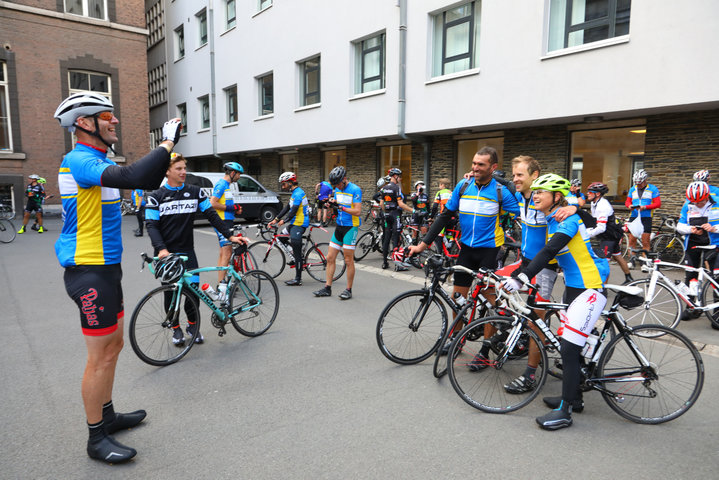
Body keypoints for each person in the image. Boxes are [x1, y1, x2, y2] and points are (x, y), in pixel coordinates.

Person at [53, 91, 182, 462]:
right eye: (107, 115)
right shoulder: (79, 159)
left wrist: (167, 155)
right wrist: (167, 142)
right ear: (84, 123)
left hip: (108, 268)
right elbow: (134, 175)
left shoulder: (98, 160)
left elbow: (145, 179)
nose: (116, 121)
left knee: (114, 347)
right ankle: (96, 438)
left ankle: (108, 417)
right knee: (100, 357)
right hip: (88, 270)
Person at [501, 173, 609, 430]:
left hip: (589, 287)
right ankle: (575, 397)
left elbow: (550, 250)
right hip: (574, 287)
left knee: (569, 349)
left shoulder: (567, 218)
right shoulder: (555, 216)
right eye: (534, 191)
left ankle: (565, 411)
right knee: (573, 345)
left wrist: (521, 277)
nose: (535, 195)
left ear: (556, 197)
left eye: (542, 192)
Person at [408, 146, 520, 336]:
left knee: (489, 299)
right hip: (466, 249)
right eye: (474, 163)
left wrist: (504, 182)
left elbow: (524, 209)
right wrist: (422, 244)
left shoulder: (501, 192)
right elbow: (444, 216)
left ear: (493, 167)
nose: (475, 168)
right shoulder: (464, 186)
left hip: (490, 251)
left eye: (481, 164)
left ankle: (487, 346)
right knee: (457, 297)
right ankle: (456, 340)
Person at [145, 153, 246, 344]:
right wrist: (161, 249)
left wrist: (229, 235)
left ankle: (192, 325)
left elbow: (212, 215)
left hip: (187, 252)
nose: (184, 172)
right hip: (166, 254)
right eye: (179, 169)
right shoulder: (156, 197)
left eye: (185, 168)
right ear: (167, 171)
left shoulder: (195, 192)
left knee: (192, 293)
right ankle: (175, 329)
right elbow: (151, 226)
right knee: (170, 294)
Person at [500, 156, 577, 393]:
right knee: (488, 285)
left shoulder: (548, 198)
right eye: (513, 176)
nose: (515, 180)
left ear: (534, 177)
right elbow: (500, 182)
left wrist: (574, 205)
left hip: (544, 266)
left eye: (520, 175)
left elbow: (572, 199)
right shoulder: (520, 195)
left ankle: (530, 374)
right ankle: (516, 332)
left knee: (536, 319)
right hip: (524, 262)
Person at [313, 166, 362, 300]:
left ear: (344, 179)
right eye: (334, 185)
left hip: (351, 227)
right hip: (339, 226)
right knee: (330, 257)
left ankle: (348, 290)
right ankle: (327, 288)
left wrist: (341, 207)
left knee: (348, 260)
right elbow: (337, 203)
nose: (336, 187)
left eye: (338, 184)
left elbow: (357, 211)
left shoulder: (355, 189)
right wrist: (332, 203)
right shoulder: (337, 189)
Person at [676, 181, 719, 321]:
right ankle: (692, 306)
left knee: (716, 277)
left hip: (714, 244)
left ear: (707, 196)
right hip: (693, 243)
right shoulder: (688, 205)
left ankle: (717, 311)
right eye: (693, 201)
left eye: (699, 201)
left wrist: (714, 228)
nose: (696, 204)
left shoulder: (717, 202)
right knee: (690, 276)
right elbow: (680, 226)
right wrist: (690, 229)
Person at [585, 182, 634, 284]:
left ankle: (603, 287)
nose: (587, 194)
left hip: (609, 237)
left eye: (590, 192)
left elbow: (601, 228)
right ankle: (629, 278)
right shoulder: (595, 203)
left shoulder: (602, 206)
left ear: (597, 194)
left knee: (604, 263)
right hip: (610, 235)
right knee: (617, 256)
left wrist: (586, 234)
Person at [269, 172, 310, 286]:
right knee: (281, 238)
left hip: (300, 224)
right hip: (294, 222)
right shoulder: (294, 193)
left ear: (290, 182)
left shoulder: (298, 193)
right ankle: (295, 252)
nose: (283, 187)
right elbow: (287, 207)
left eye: (283, 184)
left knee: (296, 251)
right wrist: (276, 219)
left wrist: (284, 221)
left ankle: (298, 278)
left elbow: (294, 210)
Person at [210, 162, 244, 283]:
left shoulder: (227, 185)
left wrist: (235, 208)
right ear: (233, 173)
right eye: (238, 174)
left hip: (227, 221)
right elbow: (213, 203)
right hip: (222, 222)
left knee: (223, 253)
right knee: (227, 253)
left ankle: (222, 282)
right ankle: (221, 285)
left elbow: (226, 204)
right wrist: (231, 208)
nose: (239, 177)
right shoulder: (222, 184)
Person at [378, 168, 414, 269]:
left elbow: (381, 203)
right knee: (395, 239)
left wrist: (385, 212)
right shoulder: (396, 187)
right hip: (395, 215)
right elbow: (401, 204)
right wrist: (413, 211)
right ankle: (397, 265)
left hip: (387, 215)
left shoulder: (384, 188)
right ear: (395, 176)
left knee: (386, 239)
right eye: (399, 176)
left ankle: (385, 263)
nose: (400, 178)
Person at [625, 169, 661, 263]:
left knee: (645, 241)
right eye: (636, 183)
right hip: (634, 216)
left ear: (645, 180)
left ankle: (645, 261)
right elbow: (627, 201)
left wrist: (645, 207)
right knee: (632, 240)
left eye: (640, 183)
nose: (638, 185)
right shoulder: (633, 189)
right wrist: (629, 206)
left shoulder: (653, 189)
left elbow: (658, 204)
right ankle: (632, 261)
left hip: (646, 217)